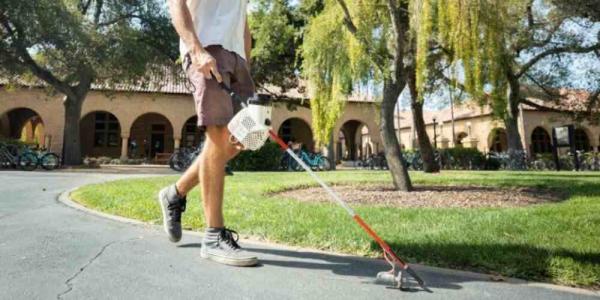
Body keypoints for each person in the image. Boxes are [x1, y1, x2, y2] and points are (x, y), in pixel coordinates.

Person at [157, 0, 257, 267]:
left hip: (237, 60)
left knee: (239, 141)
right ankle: (213, 235)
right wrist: (196, 49)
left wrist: (246, 64)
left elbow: (242, 20)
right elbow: (176, 3)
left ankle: (175, 193)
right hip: (208, 51)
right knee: (219, 135)